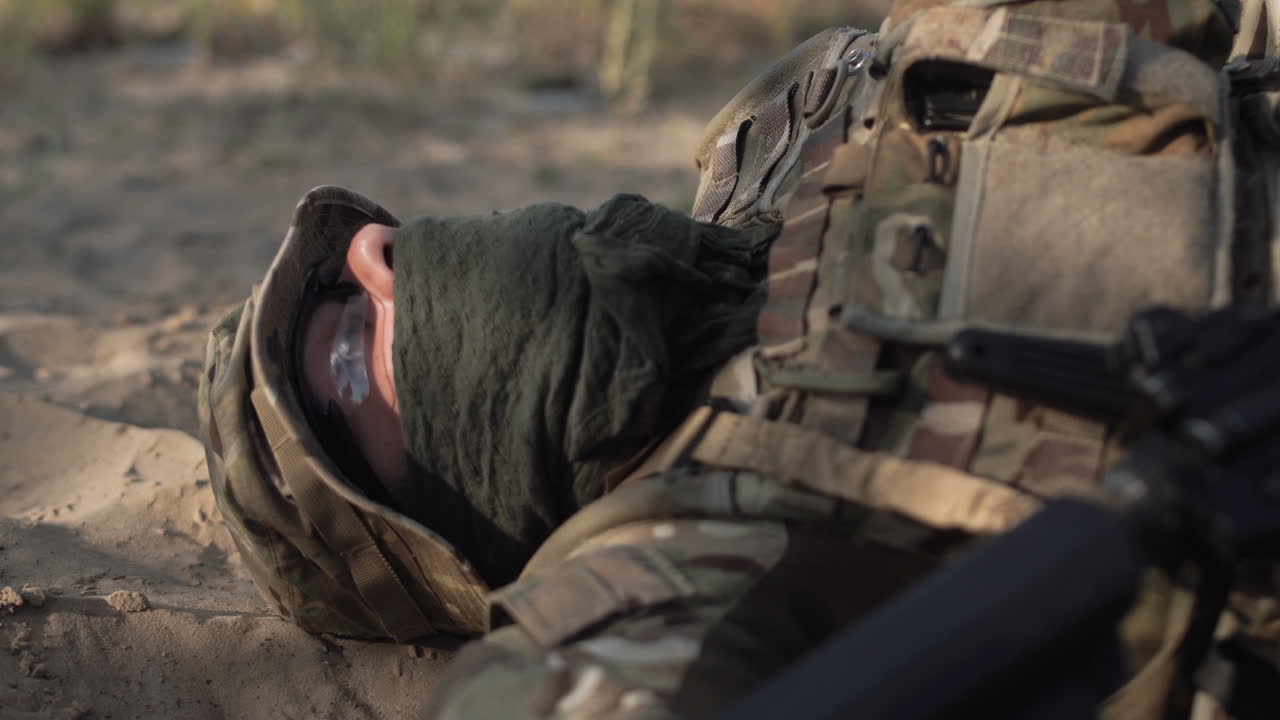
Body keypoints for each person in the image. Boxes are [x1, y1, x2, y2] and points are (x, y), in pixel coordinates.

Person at [200, 1, 1279, 717]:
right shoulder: (680, 577)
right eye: (347, 352)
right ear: (455, 521)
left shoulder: (792, 139)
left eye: (352, 278)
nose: (375, 248)